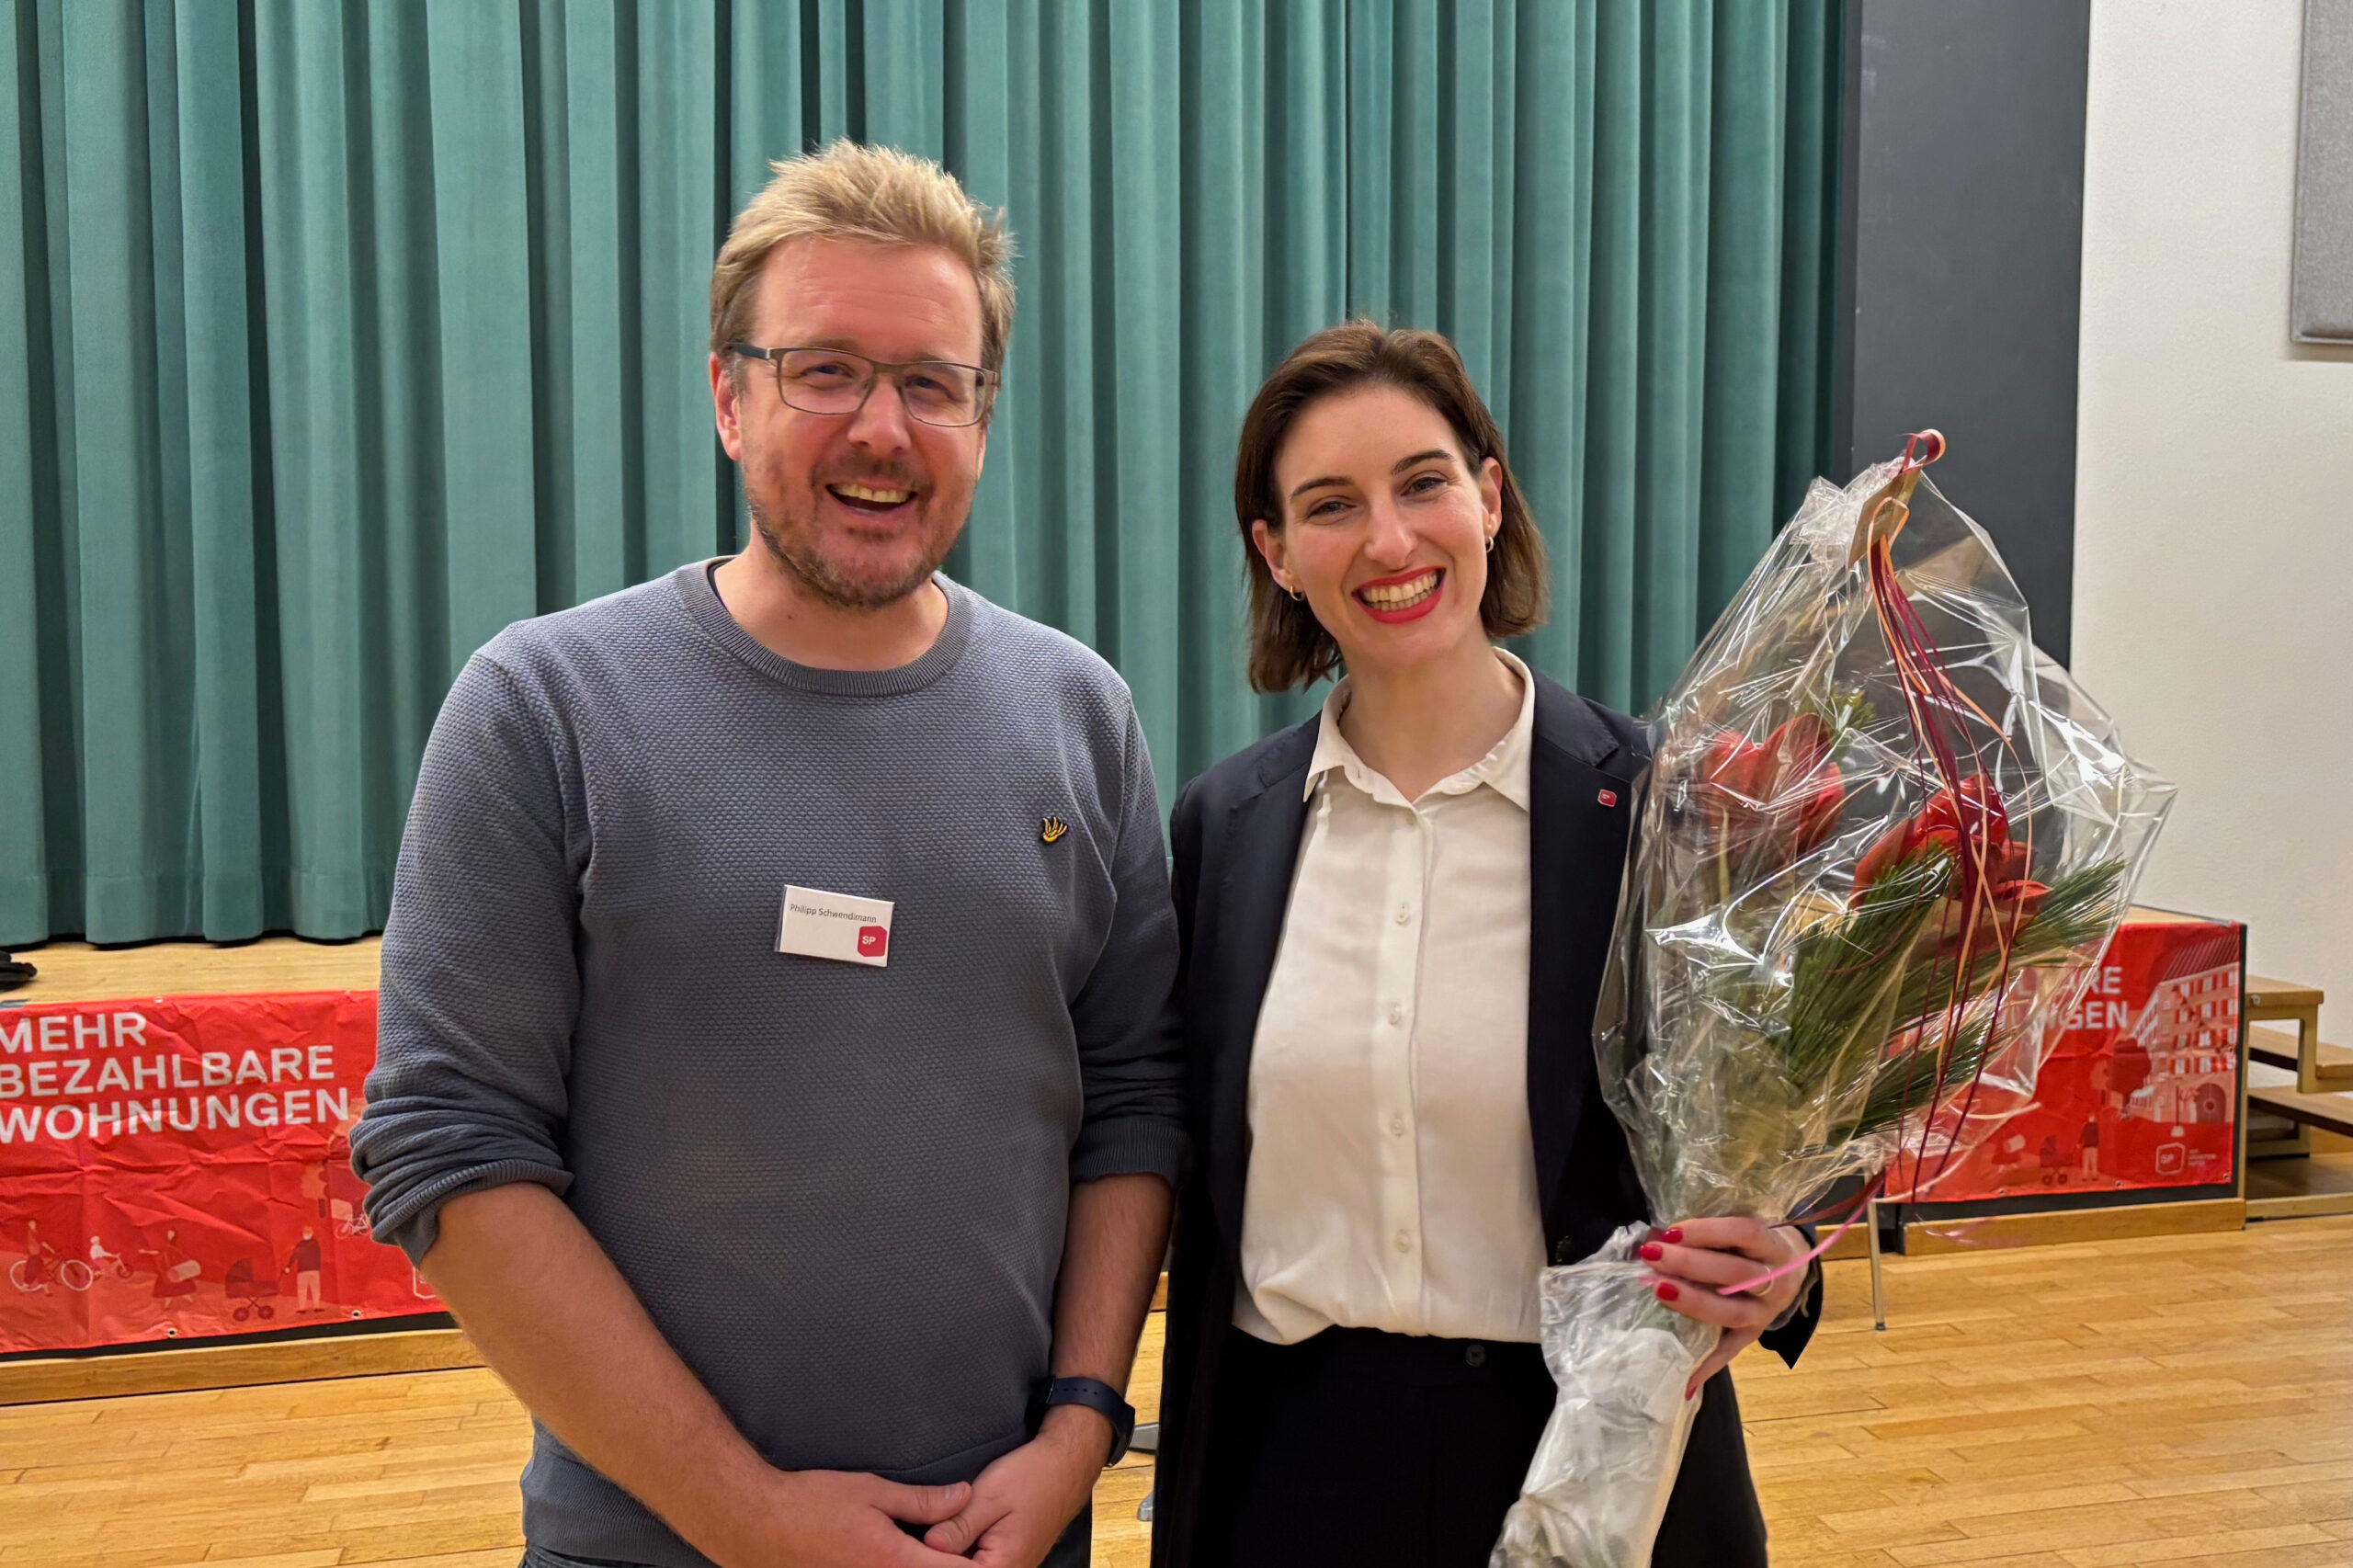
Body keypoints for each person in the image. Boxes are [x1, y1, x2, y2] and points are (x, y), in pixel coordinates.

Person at [352, 142, 1184, 1568]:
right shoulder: (544, 707)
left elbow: (1130, 1097)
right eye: (825, 371)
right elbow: (449, 1153)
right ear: (728, 395)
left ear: (984, 416)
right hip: (649, 1542)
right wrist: (746, 1513)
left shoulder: (1079, 715)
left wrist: (1081, 1426)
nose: (883, 427)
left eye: (932, 382)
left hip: (1008, 1535)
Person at [1151, 323, 1823, 1568]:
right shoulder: (1221, 829)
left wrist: (1786, 1254)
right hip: (1287, 1470)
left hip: (1594, 1450)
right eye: (1329, 505)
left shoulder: (1664, 806)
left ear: (1489, 495)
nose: (1390, 541)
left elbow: (1772, 1131)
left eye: (1423, 482)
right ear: (1277, 553)